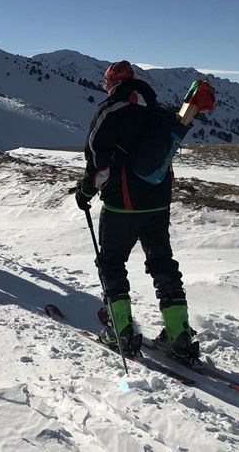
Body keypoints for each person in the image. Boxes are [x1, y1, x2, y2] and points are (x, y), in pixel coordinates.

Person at [74, 60, 198, 363]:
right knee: (162, 263)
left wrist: (85, 191)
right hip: (158, 203)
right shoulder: (156, 109)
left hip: (122, 204)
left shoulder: (110, 110)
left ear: (111, 83)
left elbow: (99, 164)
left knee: (112, 262)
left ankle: (122, 330)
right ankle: (179, 334)